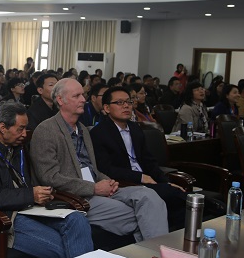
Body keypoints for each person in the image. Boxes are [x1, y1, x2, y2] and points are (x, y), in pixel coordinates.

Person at [29, 79, 169, 241]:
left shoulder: (83, 129)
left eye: (83, 95)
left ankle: (155, 253)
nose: (83, 99)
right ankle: (154, 254)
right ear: (60, 100)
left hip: (96, 187)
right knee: (136, 214)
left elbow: (93, 169)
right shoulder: (46, 130)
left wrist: (108, 182)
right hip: (74, 196)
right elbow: (49, 177)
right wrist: (94, 188)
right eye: (76, 96)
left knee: (150, 196)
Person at [0, 102, 93, 258]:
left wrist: (42, 193)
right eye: (20, 129)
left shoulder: (18, 146)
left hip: (31, 208)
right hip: (6, 217)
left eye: (26, 128)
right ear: (3, 127)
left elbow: (25, 180)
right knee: (66, 247)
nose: (25, 134)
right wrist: (30, 195)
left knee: (78, 219)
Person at [90, 87, 186, 230]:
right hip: (126, 184)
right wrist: (140, 177)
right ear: (107, 108)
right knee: (178, 197)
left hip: (147, 181)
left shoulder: (135, 129)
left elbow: (149, 161)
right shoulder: (99, 133)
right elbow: (106, 169)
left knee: (179, 197)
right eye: (120, 102)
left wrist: (166, 182)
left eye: (128, 102)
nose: (126, 106)